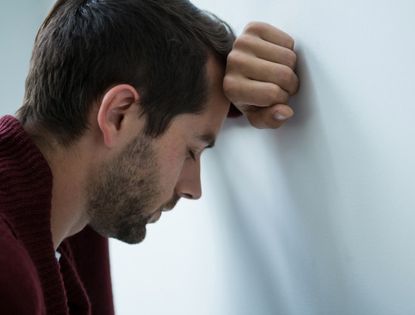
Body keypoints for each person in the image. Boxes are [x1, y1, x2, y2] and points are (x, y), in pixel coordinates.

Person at [0, 0, 299, 314]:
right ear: (118, 115)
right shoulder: (8, 277)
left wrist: (239, 80)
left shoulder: (70, 196)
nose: (193, 189)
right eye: (191, 152)